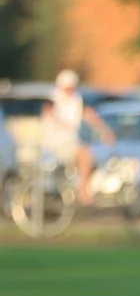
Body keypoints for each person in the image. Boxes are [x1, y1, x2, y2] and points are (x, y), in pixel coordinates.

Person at [48, 69, 115, 205]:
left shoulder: (76, 99)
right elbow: (50, 114)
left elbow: (89, 115)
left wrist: (105, 132)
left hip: (70, 141)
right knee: (85, 153)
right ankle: (83, 189)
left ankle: (83, 186)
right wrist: (62, 124)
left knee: (89, 154)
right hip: (56, 143)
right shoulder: (53, 99)